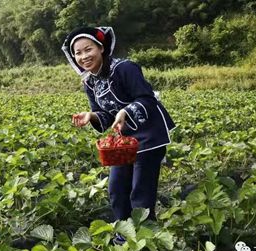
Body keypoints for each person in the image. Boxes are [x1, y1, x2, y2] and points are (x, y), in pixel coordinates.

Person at [61, 26, 176, 227]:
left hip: (149, 135)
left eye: (88, 49)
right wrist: (91, 116)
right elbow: (105, 115)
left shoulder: (125, 68)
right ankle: (125, 232)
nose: (84, 56)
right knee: (116, 189)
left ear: (101, 48)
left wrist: (125, 111)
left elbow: (147, 99)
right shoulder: (90, 83)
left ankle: (145, 237)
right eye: (78, 53)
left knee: (140, 193)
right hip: (123, 140)